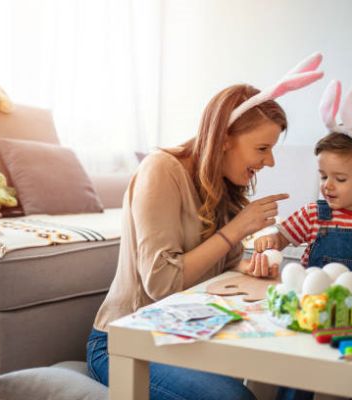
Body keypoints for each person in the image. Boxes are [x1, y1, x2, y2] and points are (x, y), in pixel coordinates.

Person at [86, 55, 324, 400]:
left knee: (302, 368)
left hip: (187, 333)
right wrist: (239, 227)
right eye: (262, 148)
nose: (269, 161)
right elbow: (161, 283)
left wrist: (253, 267)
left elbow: (218, 267)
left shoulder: (221, 183)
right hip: (126, 343)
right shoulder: (161, 170)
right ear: (224, 138)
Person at [254, 80, 352, 277]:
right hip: (315, 301)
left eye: (340, 179)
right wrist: (271, 240)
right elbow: (281, 239)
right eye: (323, 176)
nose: (327, 186)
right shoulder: (312, 214)